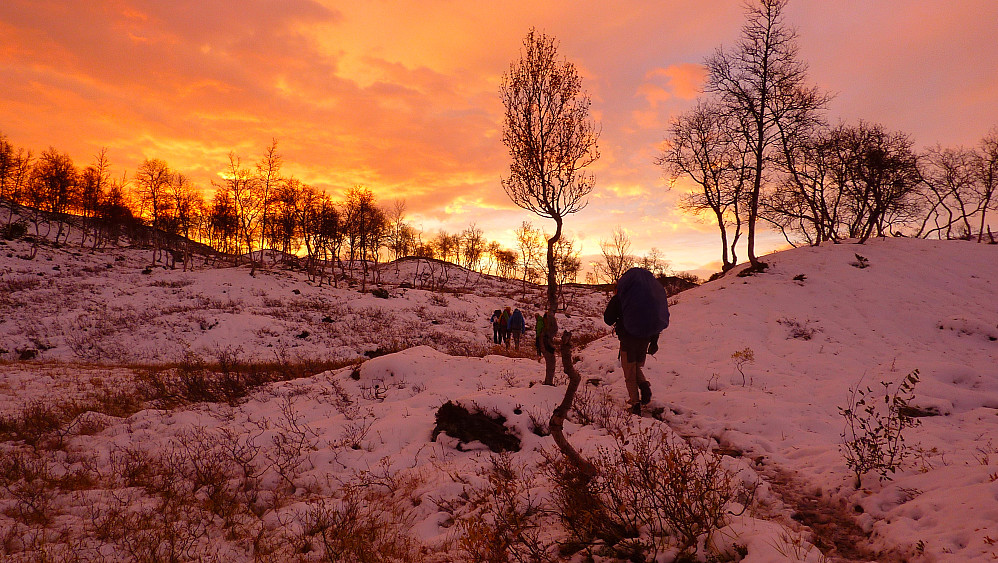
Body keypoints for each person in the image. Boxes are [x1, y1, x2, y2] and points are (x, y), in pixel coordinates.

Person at [603, 267, 670, 415]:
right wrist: (654, 341)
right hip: (645, 339)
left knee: (629, 372)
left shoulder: (621, 297)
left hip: (628, 339)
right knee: (635, 367)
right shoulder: (648, 298)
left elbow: (608, 319)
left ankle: (635, 404)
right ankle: (644, 385)